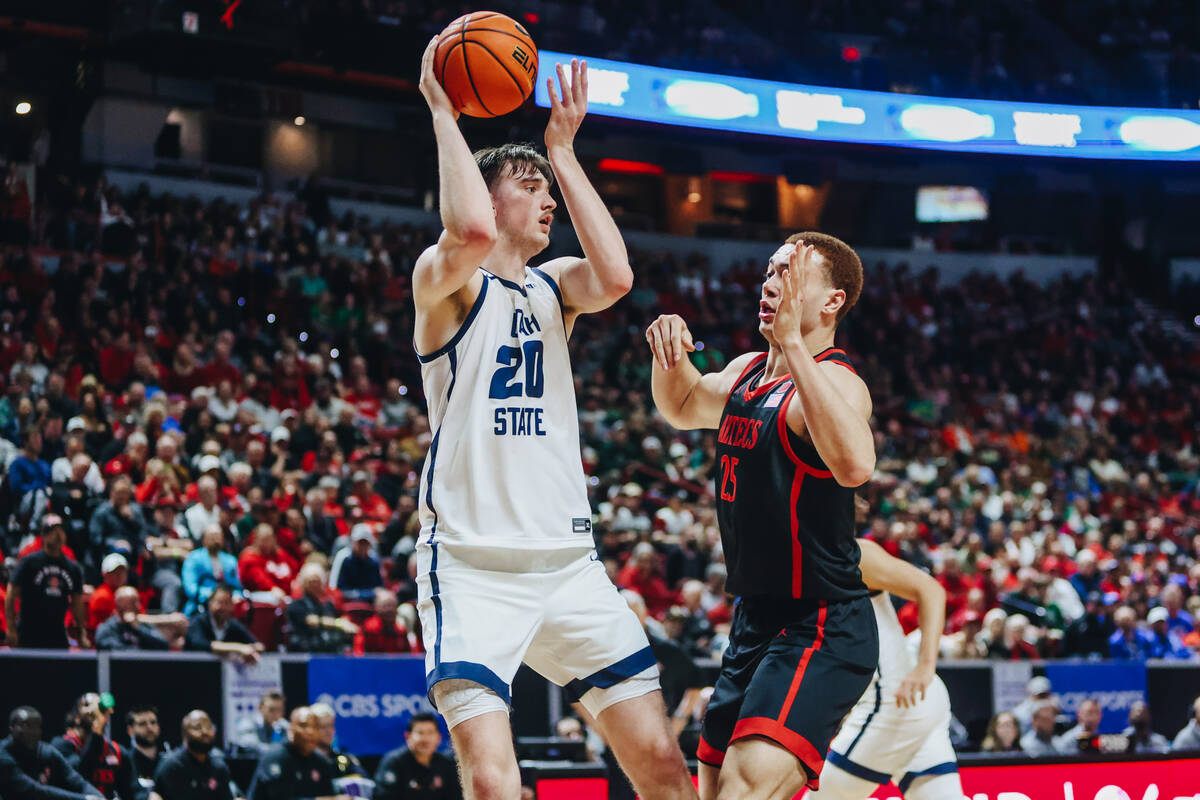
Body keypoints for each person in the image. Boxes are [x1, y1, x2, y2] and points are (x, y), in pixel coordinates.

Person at [412, 44, 692, 800]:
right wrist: (444, 111)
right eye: (529, 186)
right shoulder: (444, 283)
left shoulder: (552, 287)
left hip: (567, 566)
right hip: (471, 565)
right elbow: (469, 232)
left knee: (664, 768)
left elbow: (617, 277)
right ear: (489, 194)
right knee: (496, 783)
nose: (547, 203)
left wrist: (562, 154)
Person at [646, 234, 877, 798]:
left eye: (791, 275)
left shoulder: (837, 381)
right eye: (771, 269)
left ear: (831, 302)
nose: (771, 283)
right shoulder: (748, 370)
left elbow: (854, 465)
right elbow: (681, 406)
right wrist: (670, 354)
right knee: (715, 790)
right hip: (754, 620)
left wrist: (795, 347)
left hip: (820, 622)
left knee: (745, 791)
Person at [809, 539, 961, 800]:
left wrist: (926, 665)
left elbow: (931, 590)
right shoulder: (799, 559)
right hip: (917, 702)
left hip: (893, 701)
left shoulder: (848, 553)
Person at [6, 513, 89, 648]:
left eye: (61, 530)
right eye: (53, 531)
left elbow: (77, 601)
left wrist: (81, 633)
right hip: (28, 633)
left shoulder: (72, 567)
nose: (58, 535)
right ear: (43, 535)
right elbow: (11, 593)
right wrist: (11, 627)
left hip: (57, 634)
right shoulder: (29, 562)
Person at [0, 706, 103, 799]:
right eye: (25, 725)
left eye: (36, 726)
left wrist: (100, 798)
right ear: (11, 727)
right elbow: (34, 791)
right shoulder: (3, 754)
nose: (32, 731)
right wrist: (85, 799)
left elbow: (78, 782)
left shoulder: (47, 751)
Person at [246, 707, 346, 800]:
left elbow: (329, 795)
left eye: (315, 726)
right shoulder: (276, 756)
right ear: (291, 729)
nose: (310, 731)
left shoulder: (322, 762)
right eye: (304, 725)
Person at [54, 693, 138, 799]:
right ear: (76, 717)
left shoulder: (117, 751)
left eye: (99, 708)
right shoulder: (61, 745)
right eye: (87, 705)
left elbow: (130, 793)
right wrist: (96, 730)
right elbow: (79, 777)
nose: (94, 711)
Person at [150, 710, 235, 800]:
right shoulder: (171, 766)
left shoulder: (219, 767)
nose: (205, 732)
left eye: (209, 727)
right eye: (197, 727)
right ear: (184, 734)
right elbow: (156, 795)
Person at [373, 713, 460, 800]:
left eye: (430, 732)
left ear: (439, 738)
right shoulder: (394, 762)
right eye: (420, 733)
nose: (425, 739)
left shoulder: (446, 764)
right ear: (408, 736)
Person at [287, 563, 356, 653]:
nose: (315, 586)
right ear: (304, 584)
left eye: (318, 581)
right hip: (304, 654)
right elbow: (312, 621)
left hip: (327, 652)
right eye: (311, 582)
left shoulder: (327, 605)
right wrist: (339, 623)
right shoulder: (296, 605)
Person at [184, 583, 261, 663]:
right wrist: (239, 648)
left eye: (227, 603)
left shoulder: (232, 624)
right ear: (210, 604)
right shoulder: (197, 621)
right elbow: (201, 644)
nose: (223, 607)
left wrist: (250, 650)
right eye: (219, 602)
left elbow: (259, 645)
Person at [310, 704, 371, 797]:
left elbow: (364, 782)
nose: (328, 731)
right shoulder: (304, 760)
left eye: (331, 726)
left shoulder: (342, 759)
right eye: (323, 727)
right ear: (311, 729)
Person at [181, 524, 242, 616]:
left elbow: (237, 586)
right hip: (201, 605)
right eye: (212, 537)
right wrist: (212, 596)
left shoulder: (230, 561)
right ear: (204, 540)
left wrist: (236, 595)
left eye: (218, 537)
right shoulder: (193, 558)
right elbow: (190, 588)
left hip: (228, 606)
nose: (216, 540)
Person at [95, 586, 171, 650]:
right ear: (119, 605)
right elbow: (108, 646)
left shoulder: (141, 624)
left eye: (138, 601)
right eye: (133, 602)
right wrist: (139, 654)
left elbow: (164, 645)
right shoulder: (108, 627)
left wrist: (137, 628)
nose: (138, 606)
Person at [353, 589, 414, 654]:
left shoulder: (401, 631)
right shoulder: (368, 629)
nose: (389, 610)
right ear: (376, 608)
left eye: (392, 606)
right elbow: (359, 655)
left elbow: (408, 656)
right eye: (385, 606)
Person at [127, 705, 166, 800]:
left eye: (153, 723)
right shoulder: (125, 762)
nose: (149, 728)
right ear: (130, 730)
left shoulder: (167, 762)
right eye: (142, 724)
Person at [232, 691, 288, 755]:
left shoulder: (283, 725)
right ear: (260, 708)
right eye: (271, 709)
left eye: (279, 710)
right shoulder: (247, 723)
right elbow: (251, 746)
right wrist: (278, 752)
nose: (276, 714)